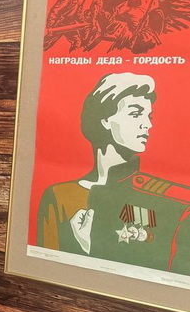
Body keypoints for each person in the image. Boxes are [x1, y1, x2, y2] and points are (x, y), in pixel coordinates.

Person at [37, 72, 190, 274]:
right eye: (136, 114)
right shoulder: (59, 196)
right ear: (104, 120)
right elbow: (46, 272)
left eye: (149, 116)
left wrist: (86, 248)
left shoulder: (175, 202)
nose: (148, 124)